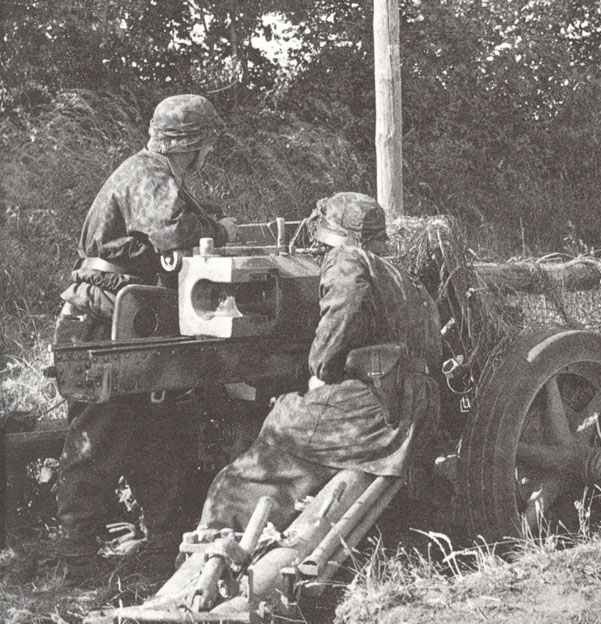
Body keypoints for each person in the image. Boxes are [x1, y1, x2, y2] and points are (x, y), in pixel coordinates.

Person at [53, 94, 239, 574]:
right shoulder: (149, 173)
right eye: (206, 145)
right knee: (100, 431)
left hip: (125, 316)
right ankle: (75, 552)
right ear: (192, 144)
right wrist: (221, 229)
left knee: (155, 430)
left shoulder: (154, 174)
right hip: (101, 320)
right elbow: (173, 230)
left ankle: (163, 539)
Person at [197, 192, 441, 537]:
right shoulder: (404, 279)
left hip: (371, 410)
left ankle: (216, 538)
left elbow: (346, 305)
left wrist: (319, 369)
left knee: (262, 448)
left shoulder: (348, 259)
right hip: (412, 405)